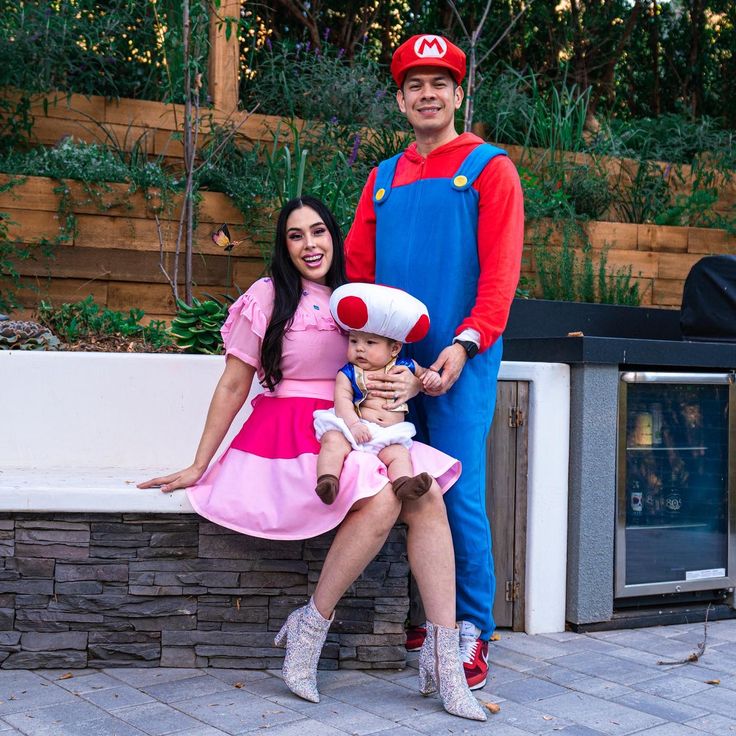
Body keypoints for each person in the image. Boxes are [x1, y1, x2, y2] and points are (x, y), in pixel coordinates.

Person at [138, 195, 487, 721]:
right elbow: (235, 383)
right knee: (382, 498)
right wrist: (198, 463)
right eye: (296, 235)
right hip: (292, 433)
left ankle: (444, 666)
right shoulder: (267, 295)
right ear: (285, 245)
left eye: (318, 231)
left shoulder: (357, 301)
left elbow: (395, 358)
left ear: (334, 237)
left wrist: (410, 380)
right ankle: (311, 625)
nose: (309, 244)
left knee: (428, 493)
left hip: (365, 426)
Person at [345, 34, 525, 690]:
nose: (427, 94)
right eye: (414, 84)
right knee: (397, 486)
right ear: (400, 98)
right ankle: (429, 615)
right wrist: (360, 359)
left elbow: (501, 277)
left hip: (462, 358)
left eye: (439, 83)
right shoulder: (382, 179)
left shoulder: (488, 168)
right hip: (392, 367)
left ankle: (473, 627)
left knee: (458, 490)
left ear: (457, 94)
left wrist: (465, 344)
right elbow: (360, 278)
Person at [313, 283, 442, 504]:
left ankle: (403, 484)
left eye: (370, 342)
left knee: (399, 454)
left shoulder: (406, 366)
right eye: (354, 341)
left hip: (389, 434)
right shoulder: (349, 373)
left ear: (394, 349)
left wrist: (431, 378)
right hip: (356, 428)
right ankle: (328, 480)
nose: (359, 348)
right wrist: (353, 425)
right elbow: (342, 400)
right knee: (332, 441)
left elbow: (425, 380)